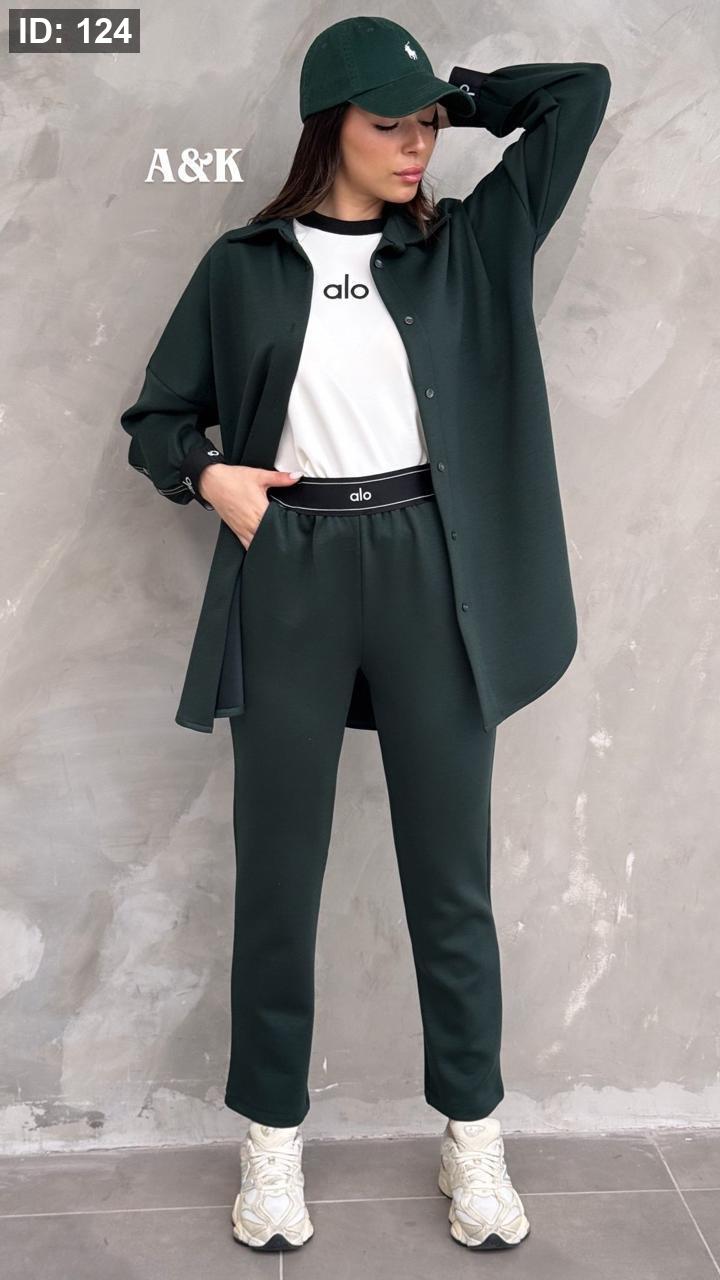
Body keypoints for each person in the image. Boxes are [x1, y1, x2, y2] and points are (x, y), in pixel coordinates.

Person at [120, 14, 611, 1255]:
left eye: (426, 125)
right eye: (388, 123)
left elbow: (580, 93)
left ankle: (473, 1137)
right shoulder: (245, 264)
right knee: (277, 874)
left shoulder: (469, 244)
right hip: (291, 565)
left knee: (451, 878)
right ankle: (271, 1141)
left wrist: (454, 91)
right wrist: (209, 476)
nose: (416, 146)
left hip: (432, 569)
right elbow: (157, 417)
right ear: (326, 125)